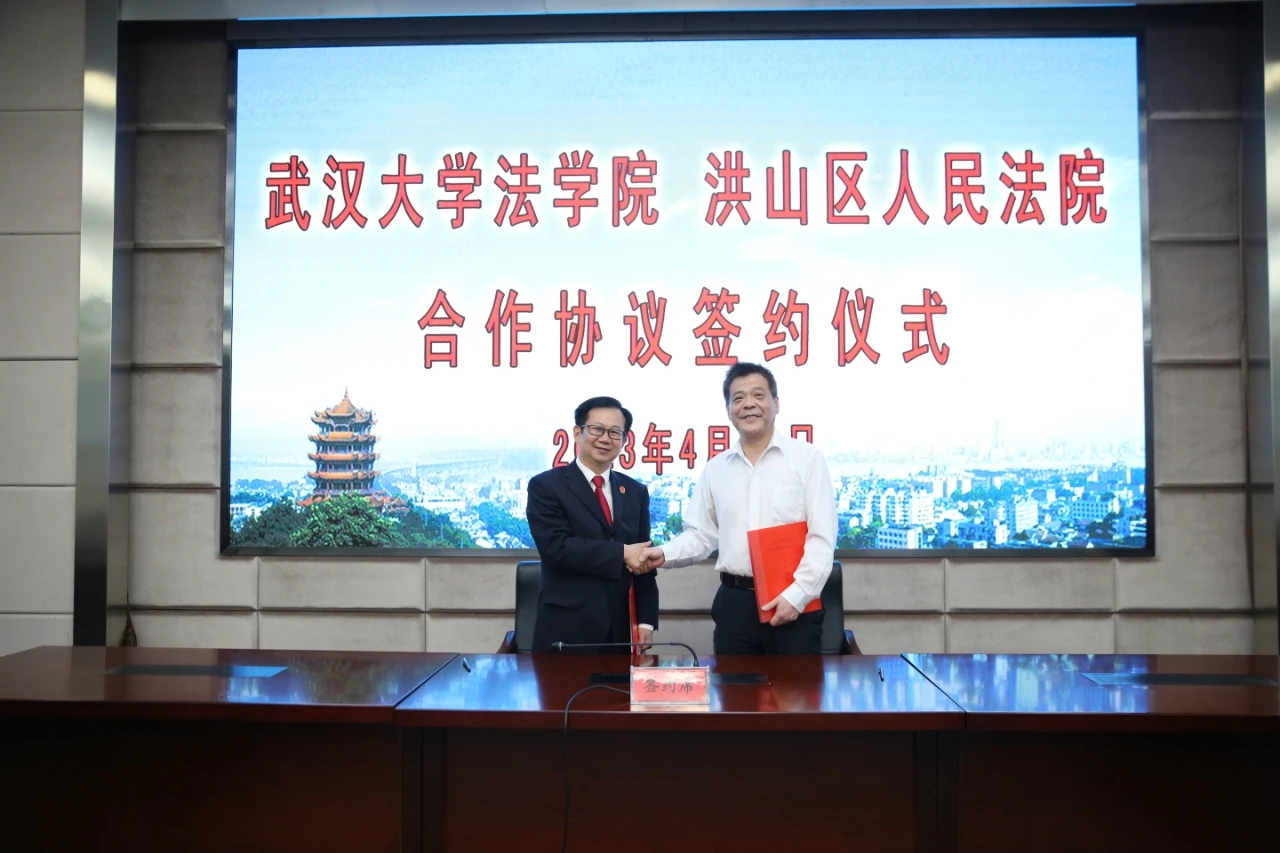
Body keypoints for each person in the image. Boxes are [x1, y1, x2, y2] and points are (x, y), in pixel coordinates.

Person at [635, 363, 835, 654]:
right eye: (738, 398)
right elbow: (701, 536)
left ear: (776, 403)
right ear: (728, 410)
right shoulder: (716, 469)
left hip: (794, 603)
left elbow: (822, 538)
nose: (748, 404)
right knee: (733, 684)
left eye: (758, 395)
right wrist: (664, 553)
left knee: (796, 686)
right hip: (735, 605)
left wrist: (798, 595)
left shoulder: (807, 459)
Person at [526, 396, 657, 654]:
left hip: (621, 631)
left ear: (625, 440)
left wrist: (646, 621)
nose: (605, 439)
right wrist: (622, 553)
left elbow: (643, 559)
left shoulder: (635, 491)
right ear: (578, 432)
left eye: (615, 432)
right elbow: (557, 548)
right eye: (597, 429)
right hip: (566, 630)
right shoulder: (546, 486)